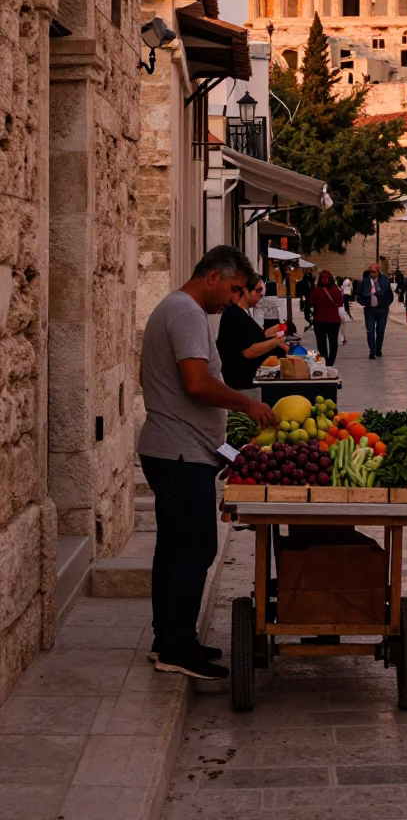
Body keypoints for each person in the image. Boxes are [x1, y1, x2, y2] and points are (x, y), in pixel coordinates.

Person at [138, 246, 275, 681]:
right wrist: (245, 406)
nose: (233, 299)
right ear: (213, 276)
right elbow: (196, 383)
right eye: (234, 289)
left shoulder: (179, 309)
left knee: (175, 548)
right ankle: (176, 647)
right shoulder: (188, 313)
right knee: (195, 549)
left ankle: (171, 639)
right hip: (179, 453)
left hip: (179, 449)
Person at [216, 271, 289, 391]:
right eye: (258, 291)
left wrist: (276, 330)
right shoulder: (234, 315)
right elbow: (249, 351)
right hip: (238, 385)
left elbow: (256, 337)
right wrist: (276, 341)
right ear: (245, 291)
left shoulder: (242, 313)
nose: (261, 295)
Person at [355, 262, 393, 359]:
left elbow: (390, 294)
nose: (372, 274)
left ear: (378, 271)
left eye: (374, 272)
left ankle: (378, 349)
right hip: (370, 309)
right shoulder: (365, 281)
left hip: (382, 310)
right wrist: (363, 302)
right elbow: (358, 293)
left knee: (380, 330)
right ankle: (372, 350)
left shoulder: (384, 281)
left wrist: (387, 304)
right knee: (370, 330)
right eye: (371, 271)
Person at [307, 270, 344, 365]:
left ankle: (324, 360)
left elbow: (311, 304)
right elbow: (340, 304)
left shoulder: (317, 290)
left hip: (319, 321)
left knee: (321, 343)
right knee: (333, 342)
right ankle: (330, 363)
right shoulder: (336, 290)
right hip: (334, 321)